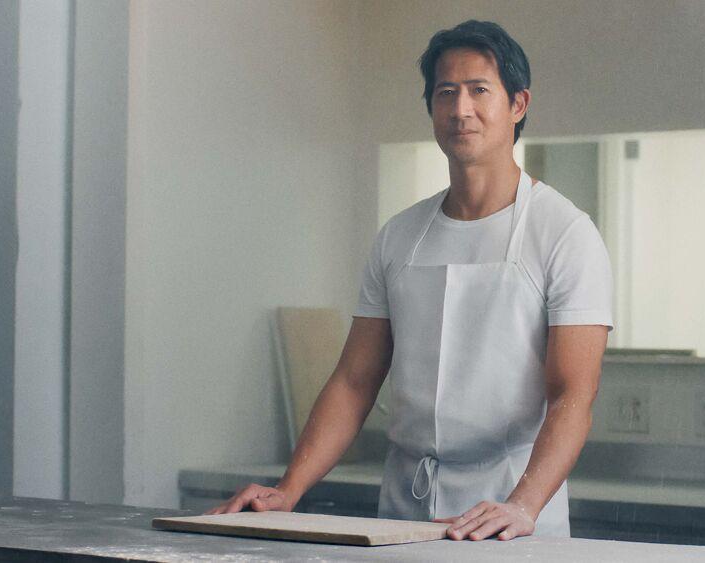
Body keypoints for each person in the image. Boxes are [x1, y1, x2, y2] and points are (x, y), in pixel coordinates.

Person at [206, 19, 613, 542]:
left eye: (479, 90)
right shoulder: (400, 237)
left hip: (513, 515)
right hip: (404, 511)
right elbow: (353, 383)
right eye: (446, 92)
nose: (461, 109)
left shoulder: (565, 234)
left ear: (518, 105)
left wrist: (522, 506)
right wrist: (289, 489)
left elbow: (572, 397)